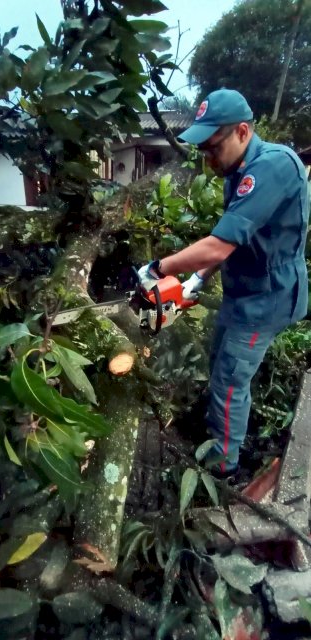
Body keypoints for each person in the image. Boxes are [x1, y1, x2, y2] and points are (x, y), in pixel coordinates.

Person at [138, 88, 309, 477]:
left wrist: (158, 268)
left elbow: (217, 246)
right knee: (221, 361)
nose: (207, 158)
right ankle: (219, 420)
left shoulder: (272, 167)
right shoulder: (238, 171)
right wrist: (196, 279)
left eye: (213, 147)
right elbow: (233, 241)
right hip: (244, 291)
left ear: (243, 132)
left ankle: (223, 465)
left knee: (231, 378)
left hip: (268, 298)